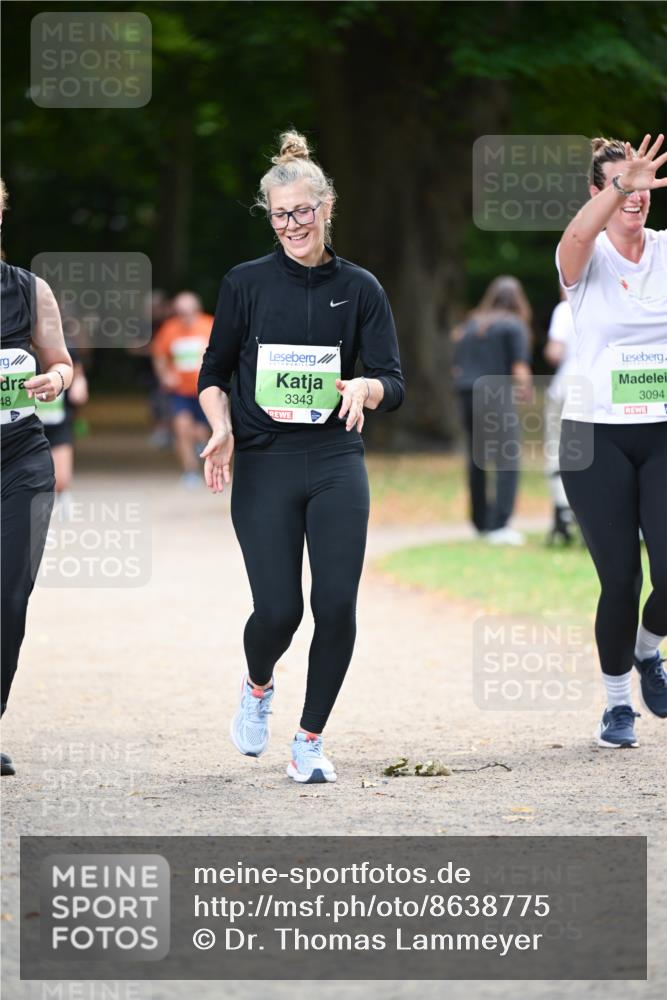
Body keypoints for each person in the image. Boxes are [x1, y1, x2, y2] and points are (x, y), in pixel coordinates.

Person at [198, 130, 404, 784]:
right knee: (280, 611)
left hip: (336, 459)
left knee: (337, 605)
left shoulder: (360, 288)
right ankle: (258, 685)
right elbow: (212, 372)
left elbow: (394, 381)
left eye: (302, 212)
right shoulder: (246, 283)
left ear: (325, 208)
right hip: (264, 462)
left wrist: (368, 387)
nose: (292, 225)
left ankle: (309, 740)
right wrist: (218, 426)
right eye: (280, 214)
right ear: (271, 216)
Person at [557, 133, 667, 749]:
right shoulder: (585, 256)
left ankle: (649, 650)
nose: (637, 193)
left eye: (643, 183)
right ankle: (617, 704)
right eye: (622, 184)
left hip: (663, 431)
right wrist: (623, 184)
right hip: (594, 436)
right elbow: (575, 240)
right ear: (597, 193)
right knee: (620, 576)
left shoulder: (666, 252)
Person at [0, 177, 73, 775]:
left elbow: (59, 362)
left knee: (9, 597)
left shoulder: (28, 289)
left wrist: (57, 379)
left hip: (20, 458)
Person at [451, 276, 532, 545]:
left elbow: (456, 365)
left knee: (477, 458)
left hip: (466, 393)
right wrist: (525, 391)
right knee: (507, 457)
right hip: (495, 394)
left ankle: (480, 521)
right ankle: (500, 525)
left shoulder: (471, 325)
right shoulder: (513, 325)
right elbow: (519, 367)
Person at [151, 291, 212, 487]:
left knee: (201, 432)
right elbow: (159, 355)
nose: (184, 316)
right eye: (180, 312)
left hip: (205, 390)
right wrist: (165, 375)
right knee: (182, 428)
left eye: (188, 311)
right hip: (180, 391)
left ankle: (200, 445)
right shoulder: (170, 329)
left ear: (197, 309)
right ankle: (190, 470)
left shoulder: (209, 325)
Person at [35, 345, 89, 515]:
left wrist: (79, 387)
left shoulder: (63, 346)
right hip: (28, 425)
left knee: (62, 478)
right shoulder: (11, 344)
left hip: (59, 422)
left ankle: (63, 494)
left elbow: (78, 374)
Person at [543, 288, 577, 545]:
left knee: (557, 450)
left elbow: (555, 351)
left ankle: (564, 508)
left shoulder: (565, 309)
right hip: (599, 390)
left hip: (566, 387)